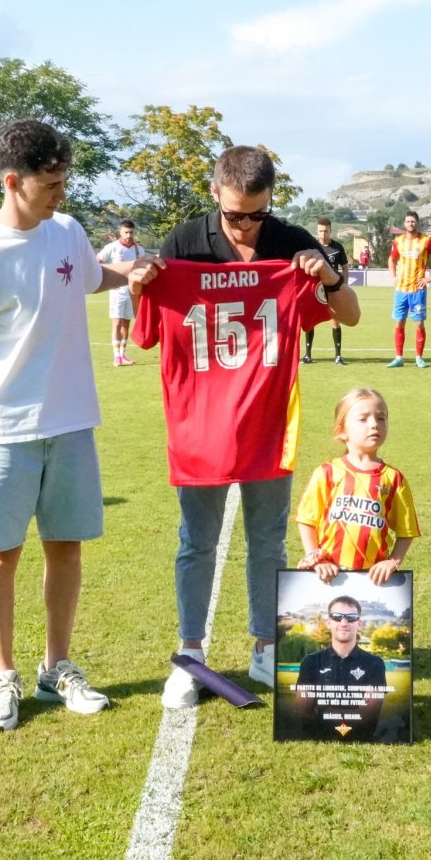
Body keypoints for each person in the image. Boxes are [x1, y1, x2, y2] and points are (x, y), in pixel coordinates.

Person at [0, 119, 162, 733]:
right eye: (52, 183)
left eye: (65, 181)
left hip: (73, 422)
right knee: (1, 555)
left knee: (66, 547)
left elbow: (91, 278)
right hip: (4, 430)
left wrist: (131, 276)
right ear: (13, 181)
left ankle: (57, 667)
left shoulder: (68, 231)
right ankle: (2, 676)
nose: (62, 194)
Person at [144, 145, 360, 709]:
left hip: (268, 421)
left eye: (258, 215)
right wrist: (143, 284)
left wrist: (330, 279)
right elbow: (146, 334)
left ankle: (267, 645)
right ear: (215, 193)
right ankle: (190, 655)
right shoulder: (184, 244)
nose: (247, 226)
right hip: (201, 427)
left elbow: (350, 315)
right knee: (197, 542)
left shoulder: (290, 244)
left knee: (268, 540)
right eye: (237, 214)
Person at [295, 387, 419, 584]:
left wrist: (392, 562)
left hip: (372, 581)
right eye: (363, 419)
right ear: (341, 431)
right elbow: (306, 520)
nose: (374, 425)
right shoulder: (327, 472)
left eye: (381, 418)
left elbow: (407, 531)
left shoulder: (394, 479)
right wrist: (315, 558)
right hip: (329, 575)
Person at [293, 595, 387, 741]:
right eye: (337, 617)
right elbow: (303, 712)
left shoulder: (375, 663)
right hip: (317, 742)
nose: (344, 622)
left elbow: (370, 714)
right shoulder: (311, 661)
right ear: (329, 622)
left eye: (351, 617)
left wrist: (326, 713)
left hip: (361, 740)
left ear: (359, 623)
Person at [387, 210, 431, 368]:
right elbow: (391, 259)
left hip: (418, 290)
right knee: (399, 323)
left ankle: (419, 357)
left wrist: (430, 277)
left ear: (417, 223)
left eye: (413, 221)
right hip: (401, 289)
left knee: (418, 324)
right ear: (404, 224)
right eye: (408, 221)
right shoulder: (398, 241)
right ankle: (399, 357)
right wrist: (393, 276)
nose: (410, 224)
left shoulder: (426, 240)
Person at [300, 218, 349, 365]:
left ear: (330, 231)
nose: (323, 234)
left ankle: (338, 355)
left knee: (335, 321)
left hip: (331, 290)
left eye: (325, 231)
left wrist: (344, 285)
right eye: (320, 231)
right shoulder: (311, 247)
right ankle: (308, 355)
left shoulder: (337, 247)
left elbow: (345, 267)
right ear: (317, 231)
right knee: (310, 322)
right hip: (314, 291)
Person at [96, 219, 145, 366]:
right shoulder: (112, 247)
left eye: (131, 232)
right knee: (116, 322)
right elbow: (96, 261)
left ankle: (123, 354)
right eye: (126, 232)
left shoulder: (139, 250)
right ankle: (116, 356)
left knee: (126, 323)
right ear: (121, 232)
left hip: (132, 291)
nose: (129, 235)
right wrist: (110, 280)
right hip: (117, 291)